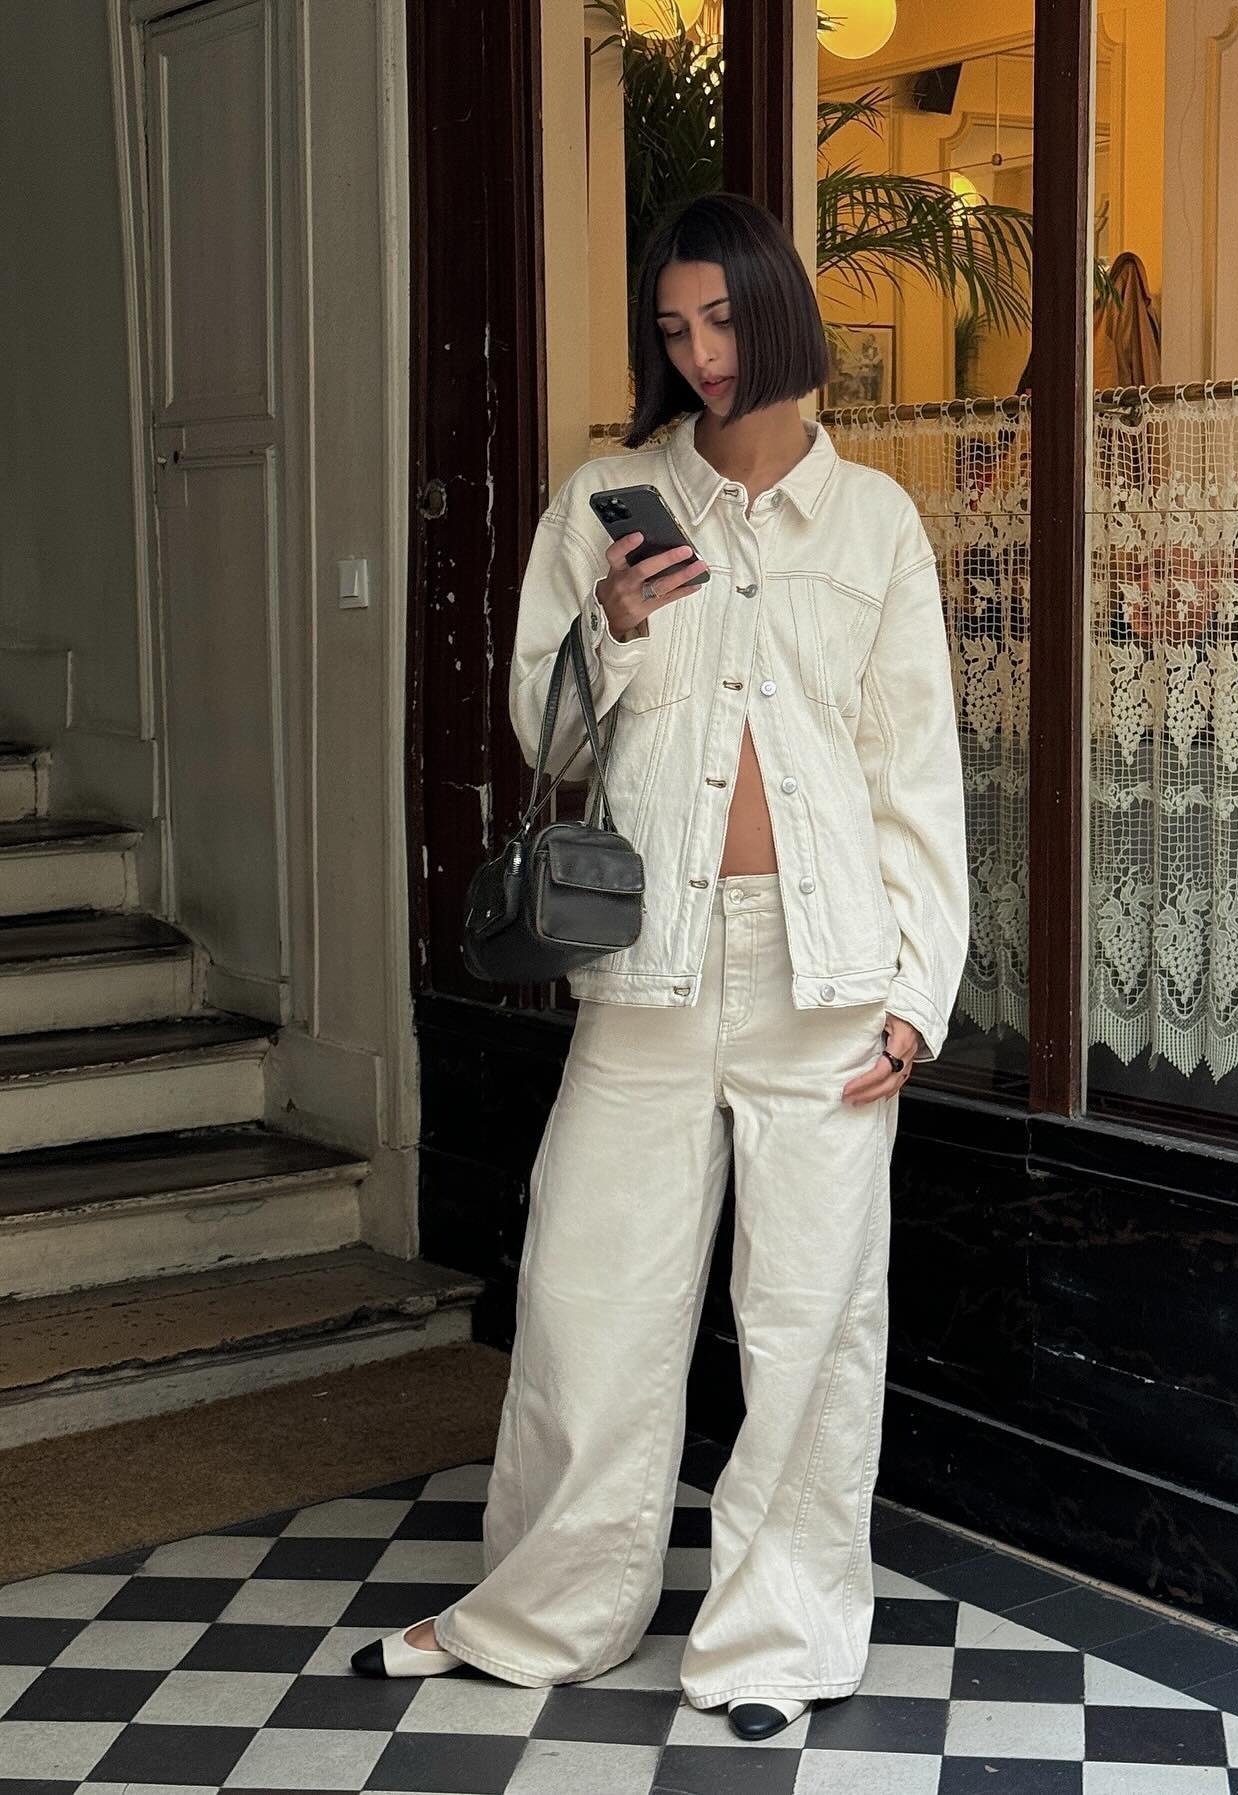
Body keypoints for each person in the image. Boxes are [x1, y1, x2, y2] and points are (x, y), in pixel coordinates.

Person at [351, 192, 970, 1742]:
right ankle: (546, 1610)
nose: (699, 352)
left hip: (825, 968)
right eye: (675, 327)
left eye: (721, 320)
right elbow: (545, 737)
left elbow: (918, 774)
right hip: (646, 967)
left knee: (811, 1317)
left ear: (777, 314)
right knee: (587, 1294)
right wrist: (612, 628)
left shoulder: (877, 523)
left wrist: (921, 993)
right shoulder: (609, 499)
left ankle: (774, 1639)